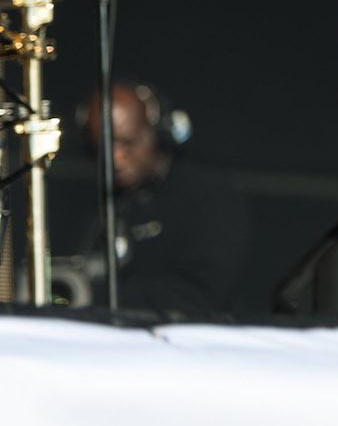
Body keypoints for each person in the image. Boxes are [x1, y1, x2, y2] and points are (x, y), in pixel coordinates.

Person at [70, 82, 249, 316]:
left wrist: (98, 294)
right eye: (103, 146)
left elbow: (205, 295)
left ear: (158, 131)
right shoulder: (100, 204)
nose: (116, 158)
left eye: (128, 142)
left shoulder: (208, 196)